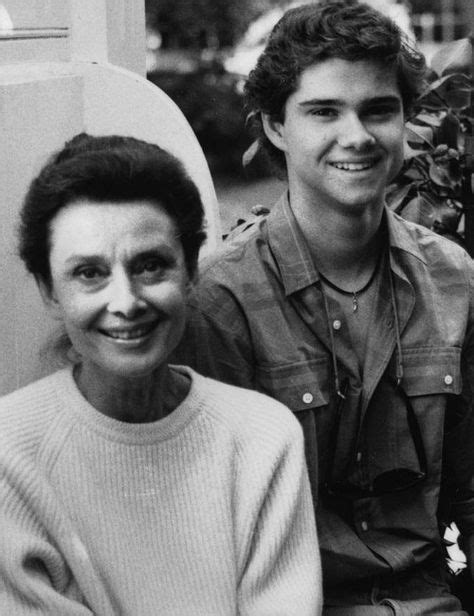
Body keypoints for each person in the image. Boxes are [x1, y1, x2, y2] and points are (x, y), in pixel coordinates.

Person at [173, 0, 474, 613]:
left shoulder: (454, 278)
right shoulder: (220, 302)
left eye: (378, 110)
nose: (357, 136)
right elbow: (201, 528)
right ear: (277, 128)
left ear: (405, 121)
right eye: (324, 112)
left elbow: (468, 496)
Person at [0, 133, 322, 615]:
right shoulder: (9, 454)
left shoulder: (264, 438)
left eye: (150, 266)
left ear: (191, 271)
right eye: (89, 273)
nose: (126, 302)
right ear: (50, 291)